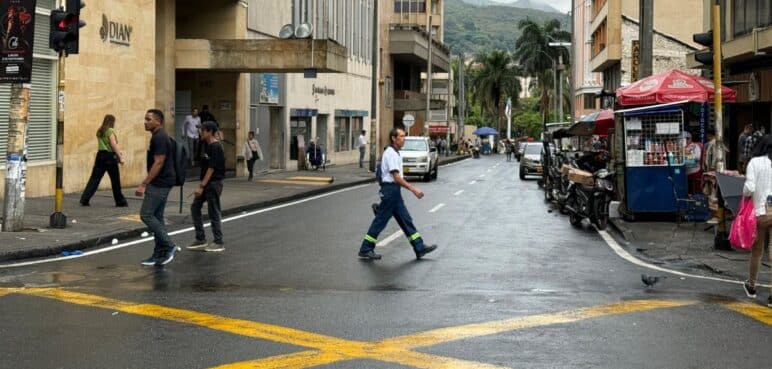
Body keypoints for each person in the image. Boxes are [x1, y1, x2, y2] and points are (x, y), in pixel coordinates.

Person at [358, 127, 438, 260]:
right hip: (391, 191)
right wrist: (413, 189)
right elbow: (396, 177)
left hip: (393, 191)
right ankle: (366, 248)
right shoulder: (391, 154)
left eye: (404, 136)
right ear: (394, 139)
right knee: (380, 221)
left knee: (406, 220)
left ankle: (419, 247)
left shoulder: (394, 152)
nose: (404, 138)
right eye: (401, 136)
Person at [137, 109, 178, 266]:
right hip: (163, 181)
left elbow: (159, 162)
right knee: (157, 218)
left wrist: (144, 183)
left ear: (158, 121)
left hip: (159, 182)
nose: (145, 122)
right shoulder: (158, 136)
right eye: (145, 119)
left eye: (148, 119)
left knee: (146, 215)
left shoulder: (159, 137)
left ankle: (169, 246)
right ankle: (159, 254)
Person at [741, 134, 772, 307]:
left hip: (760, 213)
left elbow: (749, 188)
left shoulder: (755, 162)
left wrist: (745, 193)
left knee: (757, 251)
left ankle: (751, 286)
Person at [187, 122, 226, 252]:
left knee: (213, 211)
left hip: (214, 183)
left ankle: (218, 241)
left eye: (202, 131)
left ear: (209, 132)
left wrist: (201, 186)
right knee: (195, 207)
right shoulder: (206, 145)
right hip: (206, 183)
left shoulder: (216, 147)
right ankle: (200, 239)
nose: (200, 132)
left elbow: (211, 168)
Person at [80, 114, 128, 207]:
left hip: (100, 156)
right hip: (110, 156)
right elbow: (113, 144)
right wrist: (120, 157)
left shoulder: (99, 131)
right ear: (112, 122)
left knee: (94, 178)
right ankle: (120, 201)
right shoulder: (110, 131)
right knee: (115, 180)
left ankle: (85, 198)